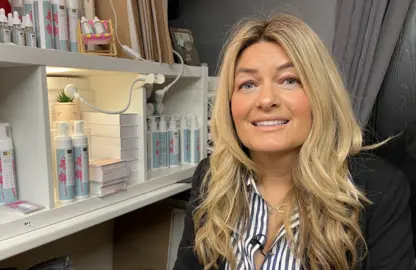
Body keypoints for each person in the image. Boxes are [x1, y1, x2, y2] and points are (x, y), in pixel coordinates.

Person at [174, 14, 414, 270]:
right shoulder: (211, 178)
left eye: (289, 80)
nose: (266, 100)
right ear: (229, 103)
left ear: (320, 95)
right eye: (248, 84)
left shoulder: (381, 189)